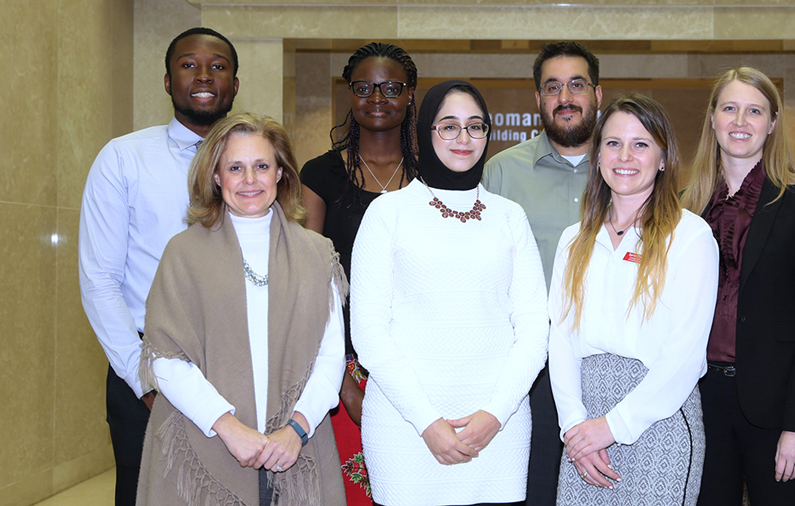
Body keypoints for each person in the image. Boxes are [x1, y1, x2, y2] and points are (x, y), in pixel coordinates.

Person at [351, 80, 548, 506]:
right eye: (449, 126)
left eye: (475, 126)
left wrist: (495, 415)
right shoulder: (387, 213)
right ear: (424, 131)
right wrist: (427, 422)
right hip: (406, 429)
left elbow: (534, 329)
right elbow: (368, 331)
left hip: (500, 428)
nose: (464, 138)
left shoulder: (510, 217)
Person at [136, 113, 347, 505]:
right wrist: (228, 427)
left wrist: (296, 430)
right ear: (216, 176)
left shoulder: (318, 254)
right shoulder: (183, 254)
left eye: (262, 166)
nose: (250, 180)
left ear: (281, 174)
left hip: (296, 448)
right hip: (202, 440)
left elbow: (330, 357)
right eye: (236, 167)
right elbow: (165, 358)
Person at [78, 27, 239, 506]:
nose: (204, 75)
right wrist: (142, 378)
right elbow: (99, 280)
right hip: (148, 363)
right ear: (168, 82)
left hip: (237, 364)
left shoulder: (255, 160)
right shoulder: (124, 158)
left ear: (235, 82)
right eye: (189, 64)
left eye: (218, 65)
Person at [549, 94, 719, 505]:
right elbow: (560, 340)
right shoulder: (574, 240)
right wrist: (575, 426)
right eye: (612, 143)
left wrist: (613, 425)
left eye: (641, 144)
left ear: (663, 158)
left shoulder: (689, 236)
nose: (625, 155)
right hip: (583, 426)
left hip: (657, 420)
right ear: (598, 155)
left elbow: (685, 355)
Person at [681, 67, 795, 505]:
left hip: (777, 409)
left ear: (772, 122)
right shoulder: (684, 208)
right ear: (712, 118)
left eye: (754, 111)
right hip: (698, 401)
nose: (741, 121)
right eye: (730, 108)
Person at [482, 42, 602, 505]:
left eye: (576, 85)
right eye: (553, 87)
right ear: (538, 99)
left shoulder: (628, 169)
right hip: (526, 373)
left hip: (606, 367)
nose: (565, 97)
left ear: (597, 93)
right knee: (530, 491)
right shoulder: (499, 174)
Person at [300, 41, 418, 504]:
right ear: (350, 94)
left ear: (410, 95)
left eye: (391, 87)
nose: (377, 97)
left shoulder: (435, 172)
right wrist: (342, 383)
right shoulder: (320, 174)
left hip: (420, 362)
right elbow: (309, 284)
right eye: (364, 87)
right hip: (342, 360)